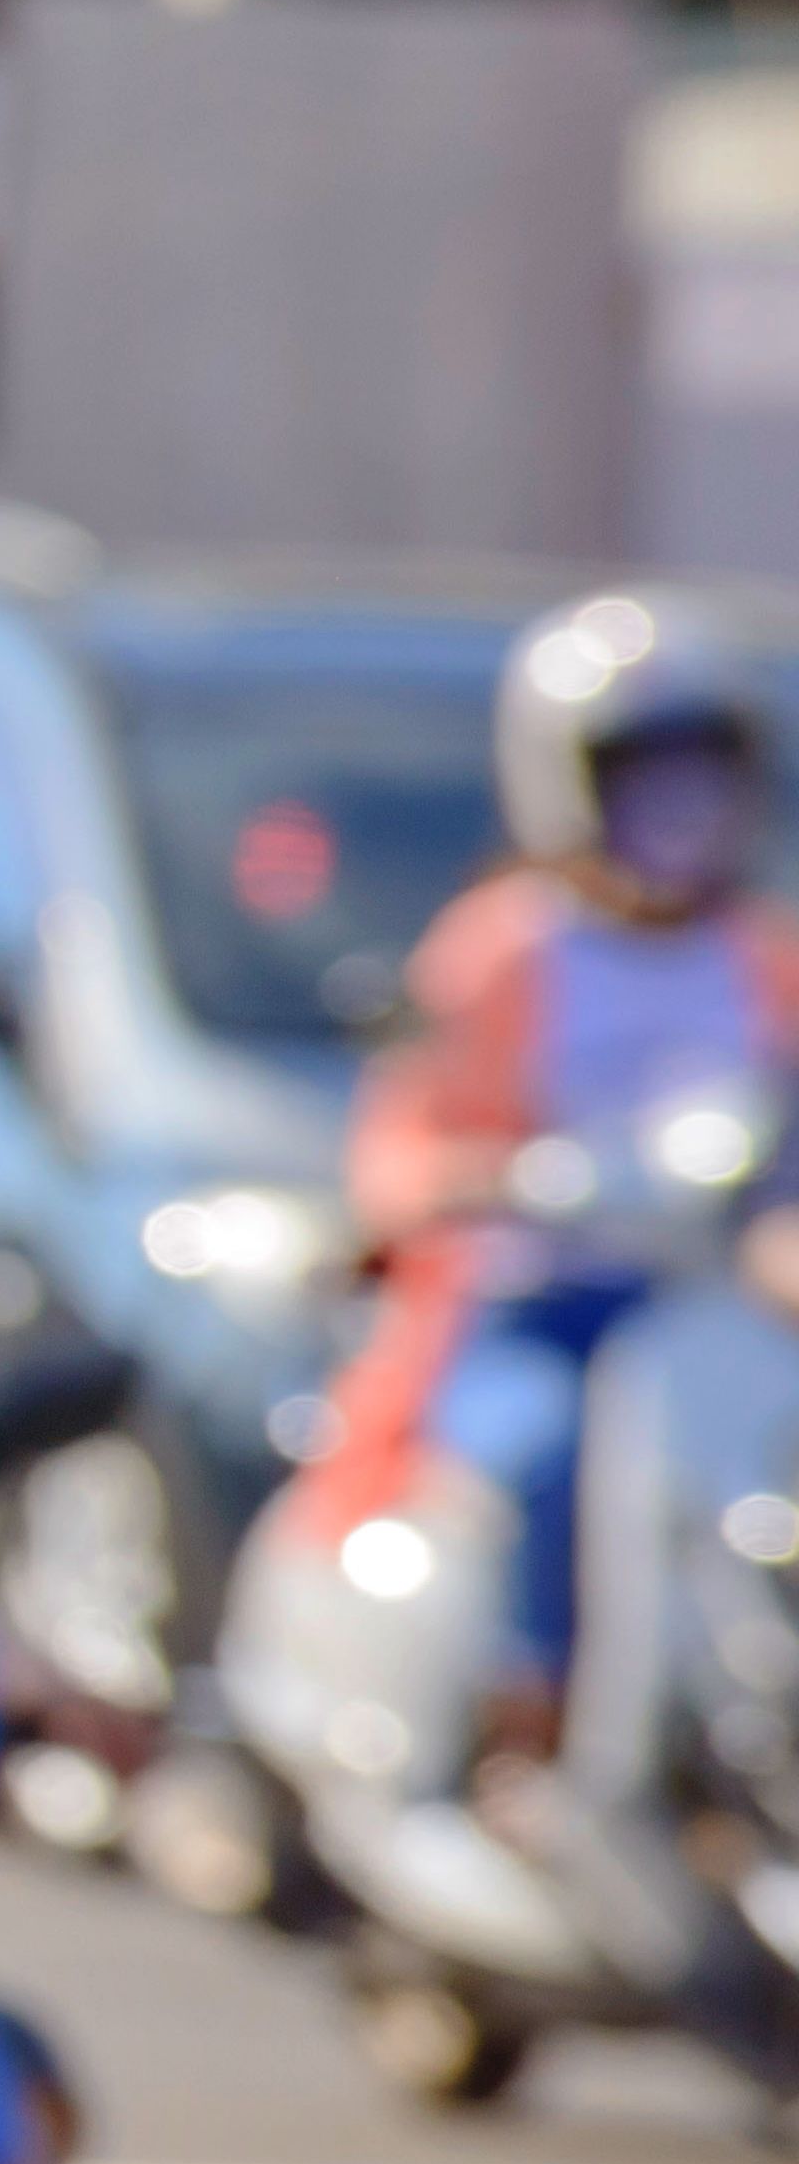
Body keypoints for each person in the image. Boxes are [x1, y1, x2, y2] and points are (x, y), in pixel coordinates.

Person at [297, 588, 799, 1699]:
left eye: (703, 779)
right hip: (544, 1300)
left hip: (709, 1308)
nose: (682, 815)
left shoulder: (763, 959)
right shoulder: (504, 952)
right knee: (553, 1459)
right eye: (648, 780)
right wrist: (496, 1180)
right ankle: (535, 1713)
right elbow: (403, 1146)